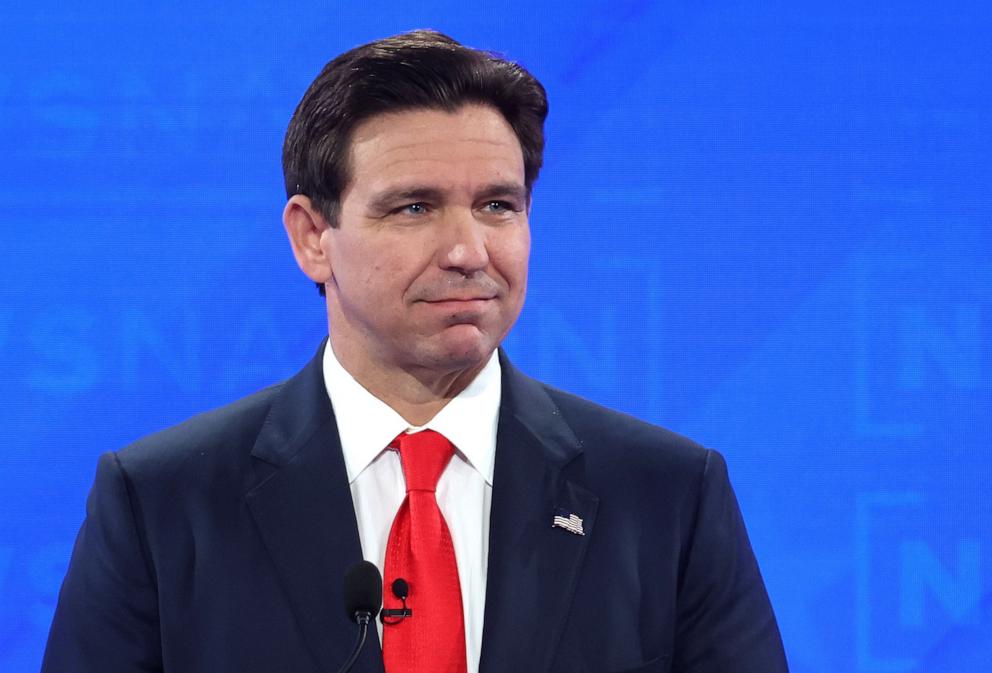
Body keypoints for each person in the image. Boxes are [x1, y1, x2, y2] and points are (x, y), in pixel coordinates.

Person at [42, 30, 788, 673]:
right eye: (414, 207)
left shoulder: (668, 495)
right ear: (312, 237)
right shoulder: (162, 503)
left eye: (499, 205)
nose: (469, 250)